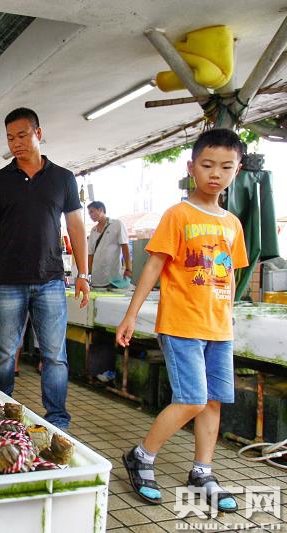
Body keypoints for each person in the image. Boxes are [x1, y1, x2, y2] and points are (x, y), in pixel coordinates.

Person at [117, 129, 248, 512]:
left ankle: (202, 471)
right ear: (191, 167)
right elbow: (153, 265)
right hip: (180, 325)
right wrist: (131, 315)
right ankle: (141, 456)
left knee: (212, 402)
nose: (215, 174)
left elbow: (231, 275)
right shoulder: (178, 215)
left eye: (226, 167)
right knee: (191, 398)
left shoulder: (232, 224)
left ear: (237, 171)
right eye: (207, 165)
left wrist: (229, 316)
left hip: (219, 328)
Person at [0, 107, 89, 429]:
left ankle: (56, 418)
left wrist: (83, 274)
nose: (16, 143)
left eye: (22, 135)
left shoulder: (63, 178)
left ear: (38, 134)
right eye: (10, 138)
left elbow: (76, 228)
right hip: (8, 281)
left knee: (54, 354)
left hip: (51, 280)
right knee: (3, 352)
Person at [87, 200, 132, 287]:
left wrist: (128, 268)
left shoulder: (117, 224)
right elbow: (90, 253)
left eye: (92, 212)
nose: (90, 216)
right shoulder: (93, 230)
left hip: (113, 277)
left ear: (100, 209)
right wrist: (87, 273)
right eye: (89, 213)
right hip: (96, 277)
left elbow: (125, 246)